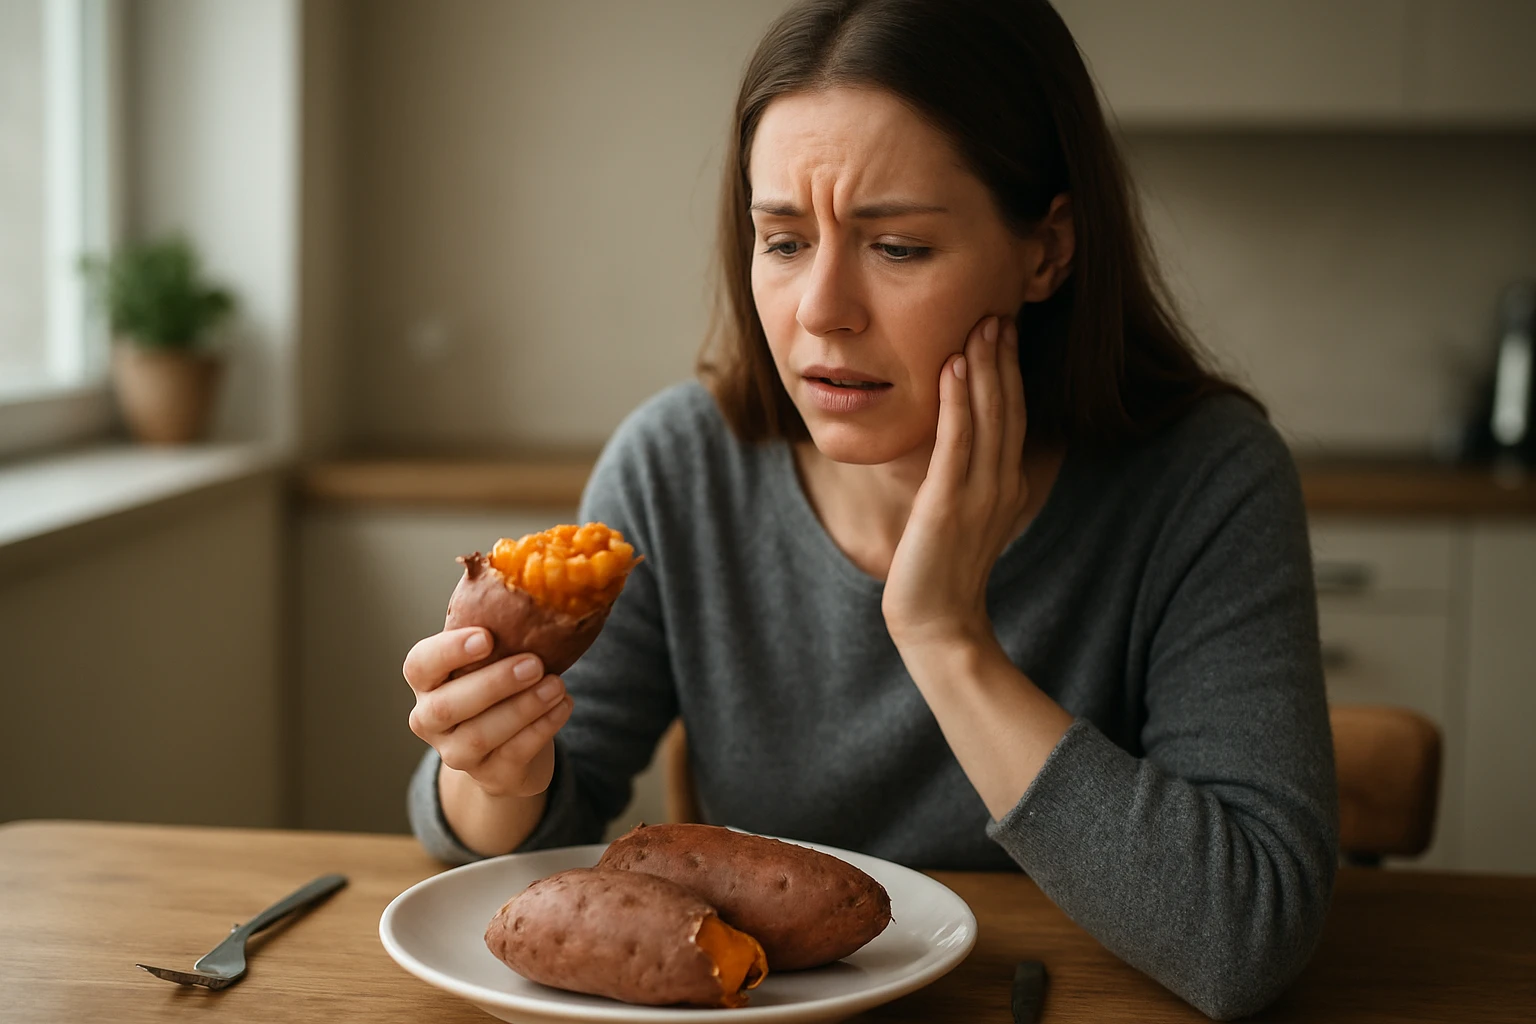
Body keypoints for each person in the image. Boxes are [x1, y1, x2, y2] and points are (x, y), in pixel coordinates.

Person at [402, 0, 1338, 1018]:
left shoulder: (1206, 482)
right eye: (785, 239)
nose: (821, 310)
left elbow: (1246, 938)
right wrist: (492, 765)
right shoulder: (680, 468)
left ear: (1046, 251)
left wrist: (944, 636)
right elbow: (535, 848)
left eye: (896, 246)